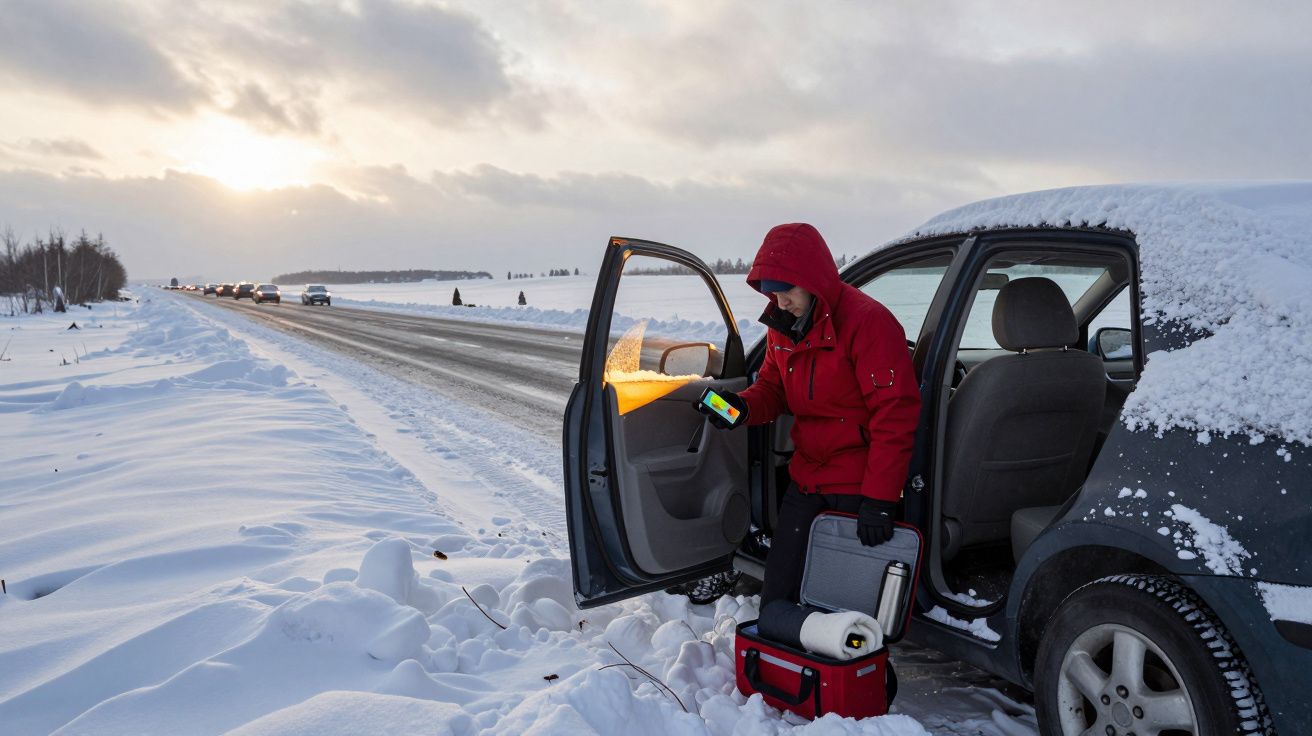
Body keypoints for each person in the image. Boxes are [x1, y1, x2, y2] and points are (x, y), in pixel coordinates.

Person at [696, 223, 920, 608]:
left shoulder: (868, 323)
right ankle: (777, 659)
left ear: (813, 281)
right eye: (771, 292)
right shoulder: (783, 328)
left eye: (786, 291)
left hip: (856, 484)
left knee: (836, 602)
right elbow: (772, 388)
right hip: (806, 477)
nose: (780, 303)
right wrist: (742, 407)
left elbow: (894, 414)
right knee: (779, 593)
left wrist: (880, 499)